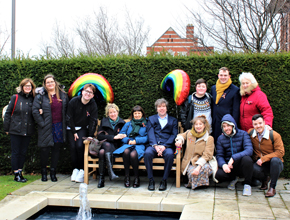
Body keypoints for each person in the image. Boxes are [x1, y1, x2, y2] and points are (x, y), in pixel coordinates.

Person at [32, 74, 68, 182]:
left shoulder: (62, 95)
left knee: (56, 150)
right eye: (48, 82)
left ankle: (53, 172)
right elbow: (35, 110)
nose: (50, 84)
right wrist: (42, 123)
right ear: (45, 84)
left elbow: (67, 110)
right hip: (46, 126)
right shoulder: (40, 96)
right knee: (44, 150)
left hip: (59, 126)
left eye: (51, 81)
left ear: (55, 82)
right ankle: (44, 172)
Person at [4, 78, 36, 182]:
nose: (28, 88)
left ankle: (20, 172)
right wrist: (7, 128)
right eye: (26, 86)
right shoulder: (15, 97)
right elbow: (8, 113)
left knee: (23, 152)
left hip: (27, 130)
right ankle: (16, 174)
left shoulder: (33, 99)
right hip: (15, 130)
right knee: (16, 152)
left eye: (29, 86)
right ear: (22, 87)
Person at [144, 98, 178, 191]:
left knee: (170, 155)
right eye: (159, 107)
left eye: (163, 106)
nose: (161, 108)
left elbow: (174, 134)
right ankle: (151, 180)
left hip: (167, 146)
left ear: (166, 108)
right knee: (147, 154)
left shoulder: (173, 120)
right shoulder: (151, 119)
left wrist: (164, 146)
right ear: (157, 108)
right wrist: (155, 146)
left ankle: (164, 180)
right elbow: (150, 133)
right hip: (153, 145)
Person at [67, 84, 98, 183]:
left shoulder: (93, 104)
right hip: (71, 128)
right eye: (86, 91)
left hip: (83, 128)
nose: (88, 94)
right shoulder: (74, 101)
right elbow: (69, 117)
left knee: (80, 146)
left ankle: (82, 170)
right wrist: (73, 131)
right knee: (72, 147)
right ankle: (75, 169)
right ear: (82, 91)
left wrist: (91, 135)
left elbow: (93, 120)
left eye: (90, 92)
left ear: (93, 95)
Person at [215, 114, 253, 196]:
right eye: (224, 126)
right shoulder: (220, 138)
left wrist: (233, 158)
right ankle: (233, 179)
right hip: (229, 166)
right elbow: (219, 155)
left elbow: (249, 150)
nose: (226, 128)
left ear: (233, 125)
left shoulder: (243, 134)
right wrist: (224, 164)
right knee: (218, 174)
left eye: (228, 125)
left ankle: (247, 184)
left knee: (247, 159)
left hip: (241, 164)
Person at [249, 114, 284, 197]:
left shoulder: (274, 135)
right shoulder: (250, 133)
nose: (258, 126)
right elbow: (240, 136)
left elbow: (280, 152)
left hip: (274, 163)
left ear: (264, 123)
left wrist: (264, 158)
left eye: (260, 123)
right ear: (253, 125)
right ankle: (264, 180)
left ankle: (272, 188)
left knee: (275, 160)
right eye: (255, 124)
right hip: (261, 164)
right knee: (251, 168)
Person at [175, 115, 215, 189]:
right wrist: (180, 140)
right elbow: (181, 136)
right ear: (193, 126)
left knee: (204, 169)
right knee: (192, 173)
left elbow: (207, 155)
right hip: (189, 162)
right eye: (196, 124)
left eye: (200, 124)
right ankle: (195, 184)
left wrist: (198, 167)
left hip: (202, 162)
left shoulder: (209, 138)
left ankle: (200, 185)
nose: (198, 126)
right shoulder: (189, 133)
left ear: (204, 125)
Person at [113, 105, 148, 188]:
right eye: (135, 113)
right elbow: (122, 135)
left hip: (139, 145)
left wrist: (136, 141)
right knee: (126, 152)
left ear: (142, 114)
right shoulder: (128, 124)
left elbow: (148, 137)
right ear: (132, 114)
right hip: (128, 144)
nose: (137, 115)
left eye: (139, 113)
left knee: (133, 154)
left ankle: (136, 177)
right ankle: (127, 176)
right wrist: (128, 140)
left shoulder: (146, 124)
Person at [96, 103, 126, 188]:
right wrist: (113, 137)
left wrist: (121, 136)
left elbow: (125, 135)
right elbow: (100, 136)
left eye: (114, 112)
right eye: (110, 113)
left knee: (102, 152)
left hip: (116, 147)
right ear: (108, 114)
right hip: (105, 144)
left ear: (117, 112)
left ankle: (101, 179)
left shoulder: (122, 123)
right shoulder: (104, 121)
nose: (113, 114)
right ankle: (110, 172)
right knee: (106, 145)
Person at [211, 67, 240, 143]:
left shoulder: (235, 90)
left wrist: (234, 125)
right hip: (215, 122)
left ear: (229, 76)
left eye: (225, 75)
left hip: (227, 123)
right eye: (221, 75)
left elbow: (235, 110)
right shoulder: (213, 88)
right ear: (218, 76)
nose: (223, 77)